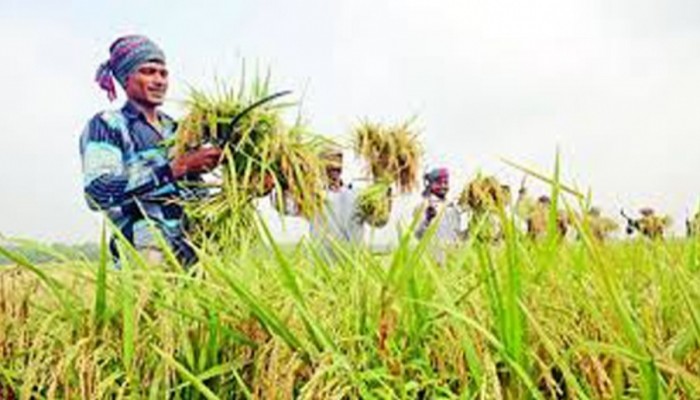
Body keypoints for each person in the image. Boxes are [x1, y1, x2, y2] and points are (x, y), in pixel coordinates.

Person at [80, 35, 222, 266]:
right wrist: (176, 168)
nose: (159, 80)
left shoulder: (179, 131)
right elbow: (98, 190)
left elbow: (197, 195)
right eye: (148, 71)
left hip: (193, 254)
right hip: (143, 255)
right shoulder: (108, 125)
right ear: (126, 79)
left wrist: (248, 187)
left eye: (163, 73)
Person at [414, 168, 463, 261]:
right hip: (432, 260)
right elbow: (418, 234)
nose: (443, 186)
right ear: (431, 185)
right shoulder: (423, 206)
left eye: (445, 183)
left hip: (453, 260)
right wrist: (427, 219)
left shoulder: (452, 208)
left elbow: (457, 235)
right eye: (439, 183)